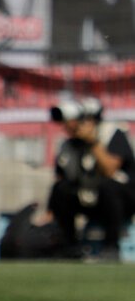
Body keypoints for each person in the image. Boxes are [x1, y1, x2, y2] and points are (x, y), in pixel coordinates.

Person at [46, 97, 135, 257]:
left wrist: (92, 142)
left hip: (123, 200)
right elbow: (60, 177)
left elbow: (109, 170)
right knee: (61, 189)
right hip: (89, 198)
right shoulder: (68, 144)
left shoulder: (112, 132)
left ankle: (111, 247)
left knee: (109, 186)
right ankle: (69, 246)